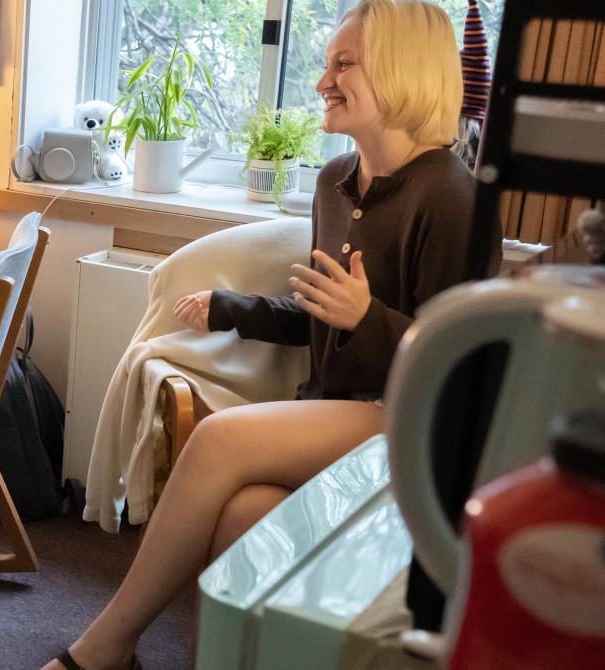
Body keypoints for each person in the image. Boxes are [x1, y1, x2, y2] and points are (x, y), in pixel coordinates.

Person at [48, 2, 502, 668]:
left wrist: (367, 320)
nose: (323, 82)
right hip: (329, 410)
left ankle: (107, 645)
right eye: (325, 64)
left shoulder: (452, 198)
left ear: (403, 70)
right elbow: (318, 313)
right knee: (241, 520)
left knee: (217, 438)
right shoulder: (333, 183)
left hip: (408, 426)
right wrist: (231, 308)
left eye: (344, 64)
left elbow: (461, 369)